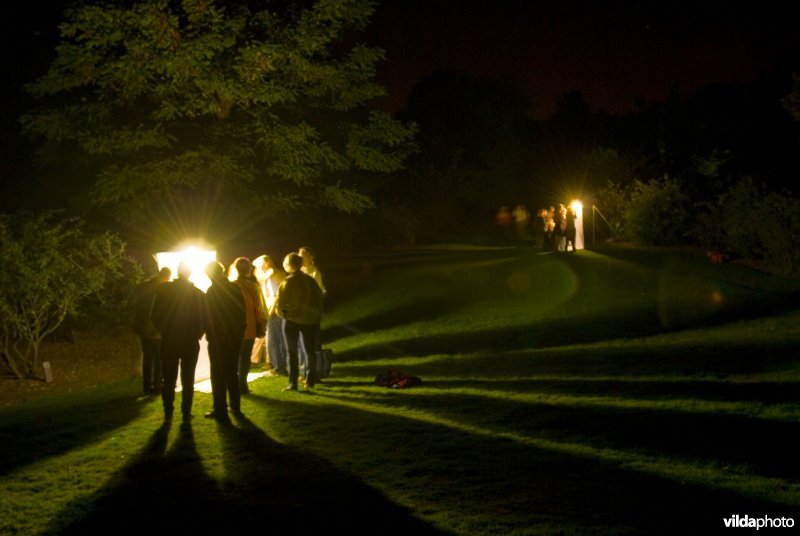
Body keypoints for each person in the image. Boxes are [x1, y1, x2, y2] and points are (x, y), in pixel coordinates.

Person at [151, 262, 205, 421]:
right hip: (190, 340)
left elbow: (155, 315)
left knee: (168, 378)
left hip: (169, 339)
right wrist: (197, 333)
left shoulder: (164, 290)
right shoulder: (198, 294)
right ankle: (186, 412)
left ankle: (168, 411)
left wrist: (164, 330)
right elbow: (204, 319)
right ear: (190, 273)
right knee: (188, 378)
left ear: (178, 272)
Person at [203, 261, 245, 421]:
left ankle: (220, 408)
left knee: (217, 373)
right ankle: (236, 406)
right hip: (234, 336)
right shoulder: (235, 288)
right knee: (232, 372)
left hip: (218, 337)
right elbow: (242, 313)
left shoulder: (212, 292)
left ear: (211, 274)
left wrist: (208, 333)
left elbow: (208, 317)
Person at [276, 253, 323, 391]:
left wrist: (284, 313)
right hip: (309, 320)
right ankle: (310, 381)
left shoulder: (287, 281)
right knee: (310, 351)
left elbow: (281, 302)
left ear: (289, 264)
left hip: (292, 320)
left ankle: (293, 383)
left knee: (292, 352)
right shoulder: (309, 280)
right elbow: (319, 297)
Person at [232, 257, 267, 394]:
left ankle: (234, 383)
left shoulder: (232, 285)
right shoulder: (253, 286)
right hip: (249, 327)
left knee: (235, 356)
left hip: (233, 327)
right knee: (245, 357)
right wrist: (262, 324)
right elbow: (258, 308)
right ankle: (242, 385)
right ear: (250, 269)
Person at [134, 266, 171, 395]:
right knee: (159, 357)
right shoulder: (162, 289)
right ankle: (157, 385)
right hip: (155, 327)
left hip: (145, 327)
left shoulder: (146, 287)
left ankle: (147, 386)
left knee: (148, 358)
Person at [253, 254, 288, 376]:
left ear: (265, 265)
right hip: (281, 310)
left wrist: (269, 312)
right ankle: (283, 365)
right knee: (281, 338)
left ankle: (279, 367)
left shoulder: (271, 276)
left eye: (258, 267)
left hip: (274, 311)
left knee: (273, 340)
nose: (257, 271)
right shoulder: (278, 273)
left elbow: (274, 296)